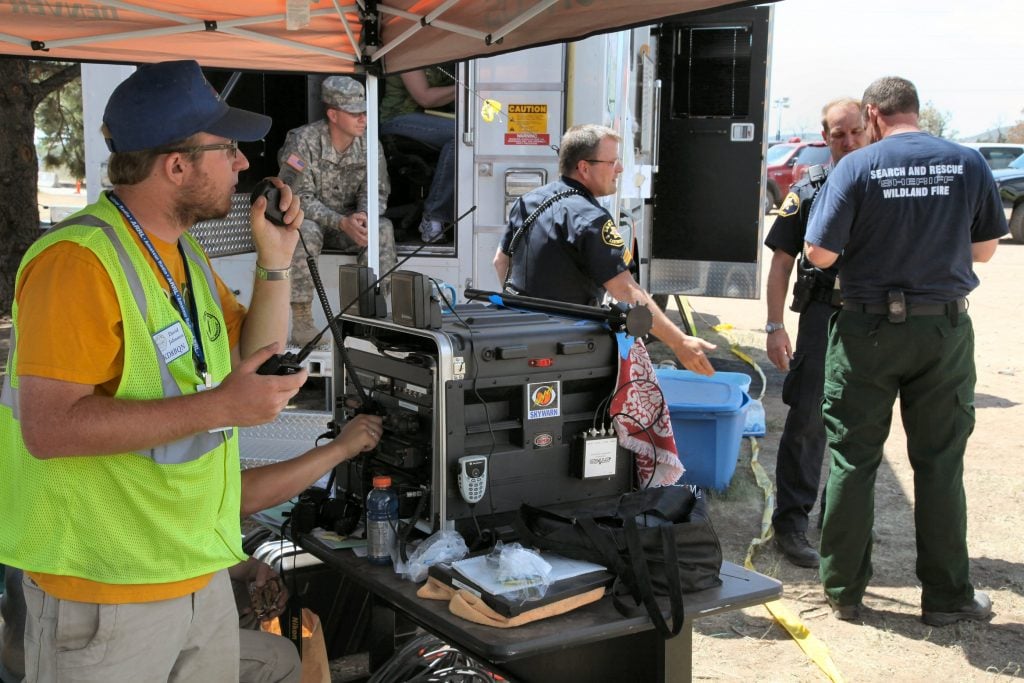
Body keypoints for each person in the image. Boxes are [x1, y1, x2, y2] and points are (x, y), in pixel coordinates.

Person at [0, 59, 311, 682]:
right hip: (103, 588)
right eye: (228, 150)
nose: (245, 164)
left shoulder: (179, 252)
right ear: (177, 166)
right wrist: (222, 407)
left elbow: (257, 360)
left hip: (190, 571)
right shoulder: (76, 262)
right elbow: (50, 428)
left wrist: (275, 261)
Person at [804, 76, 1007, 624]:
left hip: (865, 330)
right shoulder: (967, 162)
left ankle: (844, 592)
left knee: (853, 459)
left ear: (873, 114)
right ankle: (947, 598)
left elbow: (820, 253)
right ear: (915, 112)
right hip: (941, 330)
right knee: (940, 464)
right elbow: (985, 251)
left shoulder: (856, 166)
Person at [0, 413, 384, 683]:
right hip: (101, 614)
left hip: (100, 596)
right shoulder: (127, 425)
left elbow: (167, 527)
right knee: (281, 658)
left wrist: (247, 568)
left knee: (240, 612)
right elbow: (230, 497)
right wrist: (340, 449)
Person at [493, 124, 716, 376]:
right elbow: (625, 290)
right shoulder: (590, 218)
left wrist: (523, 308)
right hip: (565, 348)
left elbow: (500, 262)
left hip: (515, 338)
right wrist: (680, 341)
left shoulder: (529, 201)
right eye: (612, 162)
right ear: (584, 168)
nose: (619, 169)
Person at [764, 98, 868, 568]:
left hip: (872, 319)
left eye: (855, 132)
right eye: (837, 134)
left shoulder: (883, 183)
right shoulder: (808, 189)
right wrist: (773, 326)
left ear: (870, 129)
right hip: (822, 316)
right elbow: (781, 262)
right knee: (808, 421)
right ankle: (790, 524)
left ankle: (839, 523)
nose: (848, 142)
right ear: (824, 138)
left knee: (861, 423)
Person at [279, 76, 397, 346]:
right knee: (303, 230)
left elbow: (376, 191)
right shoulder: (303, 141)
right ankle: (302, 321)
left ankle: (372, 315)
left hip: (348, 226)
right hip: (316, 223)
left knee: (382, 228)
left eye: (365, 112)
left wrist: (363, 218)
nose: (363, 119)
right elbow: (297, 197)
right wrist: (341, 222)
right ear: (333, 114)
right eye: (355, 113)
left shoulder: (370, 144)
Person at [380, 66, 457, 243]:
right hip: (397, 120)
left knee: (471, 130)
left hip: (431, 119)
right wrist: (469, 87)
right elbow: (425, 98)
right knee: (460, 134)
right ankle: (433, 216)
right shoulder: (406, 49)